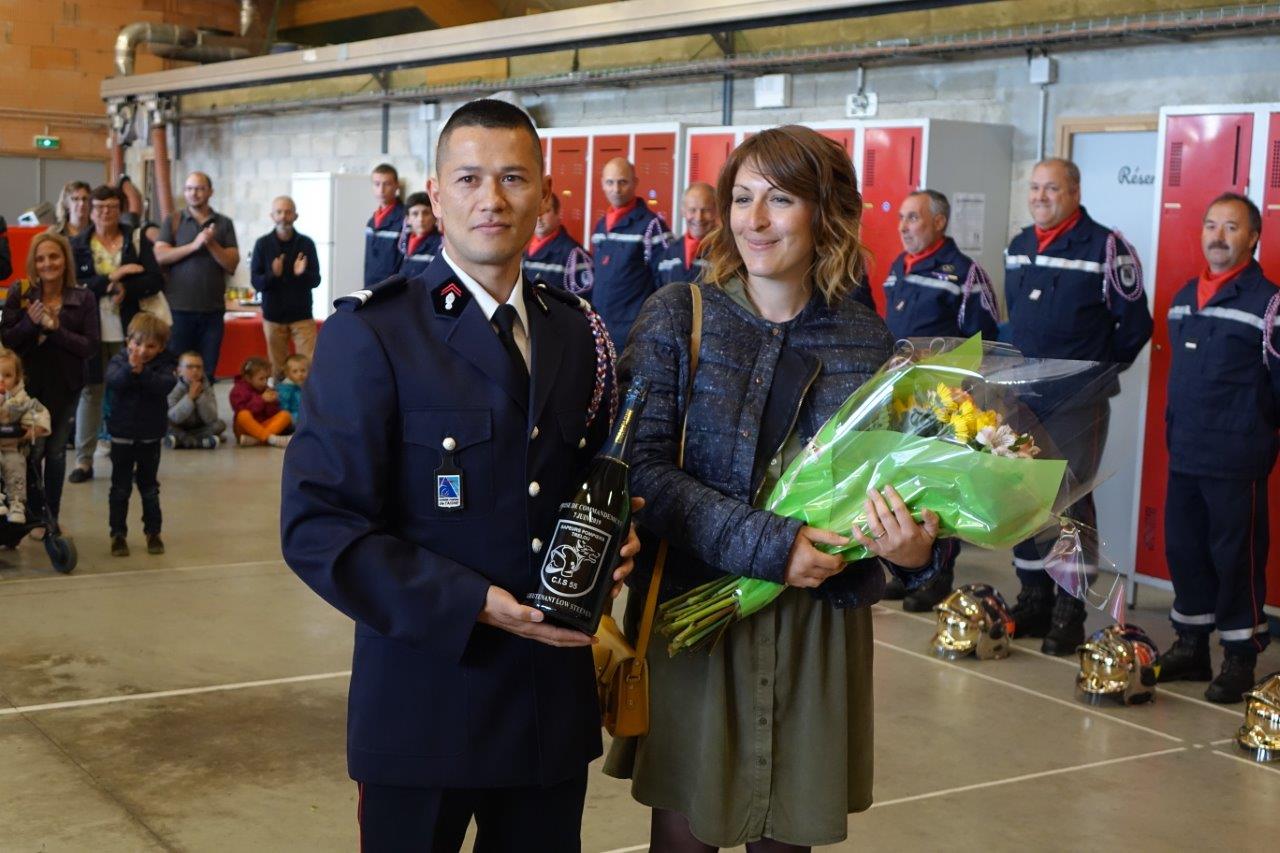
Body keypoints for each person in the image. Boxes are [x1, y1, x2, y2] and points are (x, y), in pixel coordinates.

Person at [280, 98, 641, 852]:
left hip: (547, 707)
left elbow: (577, 479)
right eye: (470, 177)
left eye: (514, 177)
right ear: (436, 196)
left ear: (544, 195)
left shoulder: (574, 332)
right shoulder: (372, 334)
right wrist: (473, 601)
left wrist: (617, 538)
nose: (493, 198)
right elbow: (319, 526)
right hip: (424, 706)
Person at [604, 125, 941, 852]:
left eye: (780, 199)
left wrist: (915, 550)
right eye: (742, 198)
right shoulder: (679, 316)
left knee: (788, 836)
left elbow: (908, 489)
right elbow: (640, 472)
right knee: (682, 836)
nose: (754, 220)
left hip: (819, 628)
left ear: (826, 212)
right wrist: (773, 545)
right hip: (697, 611)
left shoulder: (868, 341)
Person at [1001, 157, 1153, 655]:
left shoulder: (1107, 247)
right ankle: (1034, 597)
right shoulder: (1020, 245)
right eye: (1035, 188)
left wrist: (1093, 375)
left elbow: (1134, 327)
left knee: (1068, 499)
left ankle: (1068, 607)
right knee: (1023, 496)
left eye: (1052, 188)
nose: (1041, 196)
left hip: (1076, 402)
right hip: (1022, 399)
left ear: (1075, 191)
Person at [1155, 193, 1280, 704]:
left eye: (1231, 227)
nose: (1218, 236)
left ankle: (1240, 655)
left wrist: (1255, 431)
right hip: (1184, 451)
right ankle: (1190, 644)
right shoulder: (1185, 296)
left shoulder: (1269, 303)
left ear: (1253, 238)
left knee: (1236, 558)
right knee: (1185, 551)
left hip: (1236, 458)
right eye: (1211, 225)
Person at [879, 189, 1000, 612]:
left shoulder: (965, 274)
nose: (904, 226)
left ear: (939, 222)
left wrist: (962, 389)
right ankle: (906, 571)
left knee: (939, 489)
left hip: (945, 404)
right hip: (903, 400)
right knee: (905, 485)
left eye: (913, 218)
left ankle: (938, 577)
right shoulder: (898, 266)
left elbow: (988, 342)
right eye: (901, 218)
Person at [69, 185, 165, 484]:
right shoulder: (79, 243)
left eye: (111, 206)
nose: (104, 213)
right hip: (91, 330)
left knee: (132, 390)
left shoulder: (135, 239)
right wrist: (112, 277)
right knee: (90, 392)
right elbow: (76, 286)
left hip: (130, 329)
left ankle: (132, 459)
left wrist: (128, 288)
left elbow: (155, 279)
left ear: (120, 208)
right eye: (98, 207)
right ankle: (84, 461)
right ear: (91, 210)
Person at [0, 233, 98, 522]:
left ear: (65, 259)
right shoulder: (21, 292)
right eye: (41, 258)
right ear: (33, 262)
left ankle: (49, 517)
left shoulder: (84, 297)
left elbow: (89, 347)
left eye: (54, 256)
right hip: (26, 388)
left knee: (55, 453)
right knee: (28, 453)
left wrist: (55, 328)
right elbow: (7, 338)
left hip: (65, 385)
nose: (47, 264)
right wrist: (31, 323)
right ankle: (25, 516)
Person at [153, 171, 240, 378]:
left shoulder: (224, 223)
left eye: (200, 188)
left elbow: (231, 263)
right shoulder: (173, 220)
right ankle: (178, 411)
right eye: (189, 189)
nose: (194, 193)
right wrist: (194, 246)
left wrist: (211, 243)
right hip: (178, 310)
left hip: (213, 311)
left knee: (208, 370)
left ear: (210, 192)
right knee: (176, 369)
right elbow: (160, 255)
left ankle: (204, 410)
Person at [105, 312, 176, 557]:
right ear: (127, 341)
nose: (142, 350)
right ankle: (117, 534)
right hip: (122, 434)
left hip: (150, 435)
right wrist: (130, 370)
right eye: (137, 343)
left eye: (150, 346)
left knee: (149, 487)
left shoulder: (165, 365)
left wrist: (142, 372)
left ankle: (153, 532)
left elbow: (164, 385)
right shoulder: (118, 361)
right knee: (119, 488)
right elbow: (113, 381)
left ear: (161, 347)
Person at [589, 157, 671, 348]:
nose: (616, 189)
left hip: (634, 333)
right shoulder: (601, 227)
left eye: (622, 182)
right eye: (610, 182)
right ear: (602, 184)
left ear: (635, 183)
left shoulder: (652, 226)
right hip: (601, 329)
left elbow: (666, 283)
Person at [249, 195, 321, 381]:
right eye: (279, 212)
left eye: (288, 212)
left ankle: (307, 407)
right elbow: (256, 282)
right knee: (278, 370)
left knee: (308, 367)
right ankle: (281, 406)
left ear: (295, 216)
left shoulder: (306, 243)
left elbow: (316, 281)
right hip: (273, 317)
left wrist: (301, 274)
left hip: (302, 316)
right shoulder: (262, 244)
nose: (283, 216)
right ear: (272, 216)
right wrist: (273, 274)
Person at [0, 347, 51, 525]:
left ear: (17, 378)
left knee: (15, 466)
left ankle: (16, 503)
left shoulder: (22, 400)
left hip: (14, 446)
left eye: (7, 375)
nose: (2, 380)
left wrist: (34, 429)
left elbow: (40, 413)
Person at [522, 192, 593, 294]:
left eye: (546, 211)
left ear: (558, 213)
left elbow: (584, 304)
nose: (539, 217)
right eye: (535, 210)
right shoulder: (521, 250)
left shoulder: (574, 255)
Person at [654, 182, 716, 286]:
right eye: (692, 210)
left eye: (706, 210)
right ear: (683, 211)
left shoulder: (726, 254)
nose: (698, 218)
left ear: (716, 211)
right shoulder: (668, 254)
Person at [165, 351, 226, 449]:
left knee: (220, 425)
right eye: (189, 367)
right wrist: (190, 398)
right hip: (179, 427)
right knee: (164, 424)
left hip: (200, 427)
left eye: (198, 367)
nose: (195, 370)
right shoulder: (172, 386)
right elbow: (173, 417)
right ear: (179, 370)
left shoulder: (206, 386)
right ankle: (200, 442)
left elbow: (211, 418)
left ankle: (181, 442)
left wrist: (200, 397)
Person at [230, 356, 291, 448]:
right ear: (248, 378)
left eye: (267, 378)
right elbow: (242, 411)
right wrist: (261, 400)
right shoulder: (237, 391)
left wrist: (272, 402)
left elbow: (272, 414)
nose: (265, 382)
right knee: (243, 415)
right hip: (245, 429)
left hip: (263, 427)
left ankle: (257, 440)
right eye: (261, 379)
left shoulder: (266, 389)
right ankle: (271, 439)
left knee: (285, 415)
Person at [364, 163, 405, 287]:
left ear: (396, 185)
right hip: (370, 285)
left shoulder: (405, 219)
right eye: (377, 184)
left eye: (387, 184)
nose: (381, 190)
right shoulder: (371, 221)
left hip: (392, 288)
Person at [396, 191, 443, 279]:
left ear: (434, 217)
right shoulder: (402, 243)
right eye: (415, 214)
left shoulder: (441, 245)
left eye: (426, 213)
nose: (421, 219)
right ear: (408, 219)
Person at [275, 353, 308, 421]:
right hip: (292, 417)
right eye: (295, 371)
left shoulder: (308, 386)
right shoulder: (285, 389)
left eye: (303, 370)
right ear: (288, 374)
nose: (300, 374)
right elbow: (283, 409)